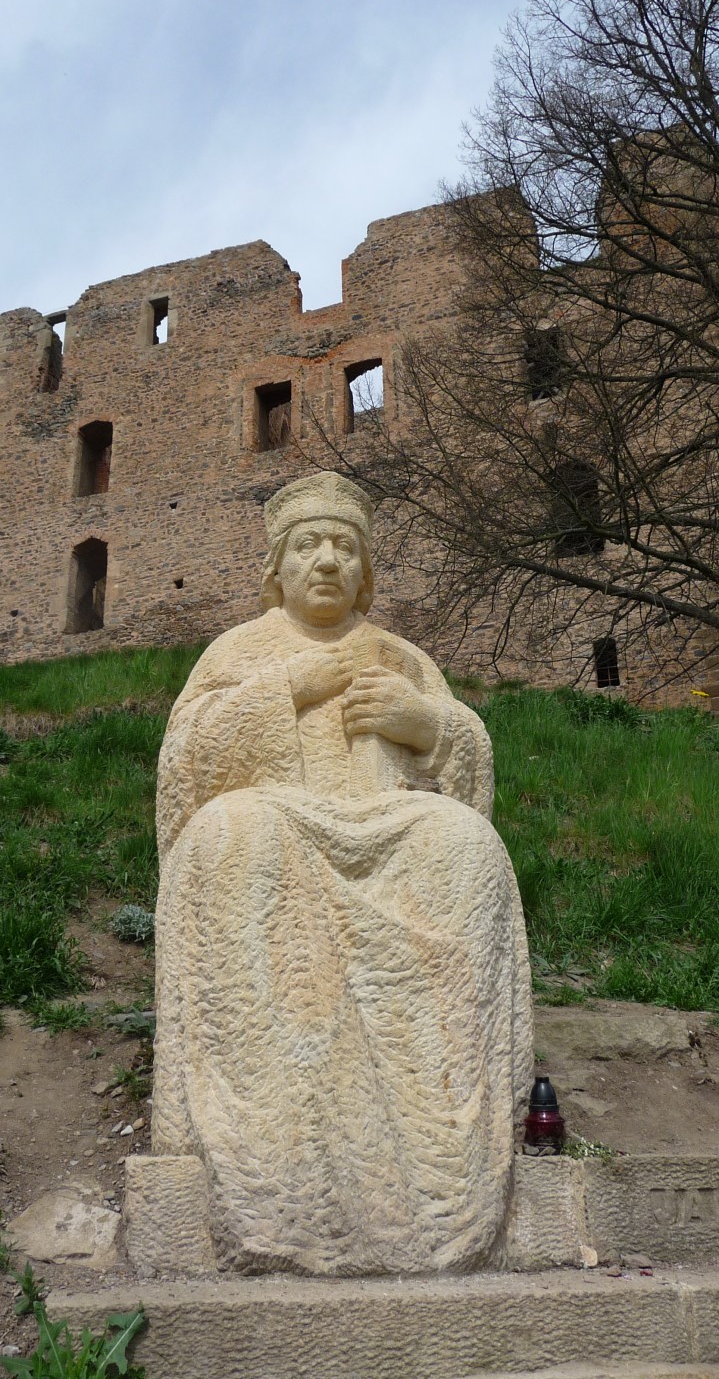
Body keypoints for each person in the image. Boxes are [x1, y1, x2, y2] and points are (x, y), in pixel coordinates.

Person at [153, 472, 532, 1274]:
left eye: (344, 547)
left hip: (394, 824)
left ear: (365, 572)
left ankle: (445, 1147)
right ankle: (269, 1158)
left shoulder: (402, 658)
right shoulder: (236, 653)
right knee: (232, 831)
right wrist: (287, 690)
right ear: (277, 569)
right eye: (306, 545)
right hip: (282, 822)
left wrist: (426, 723)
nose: (326, 560)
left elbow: (469, 766)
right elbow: (186, 767)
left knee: (467, 843)